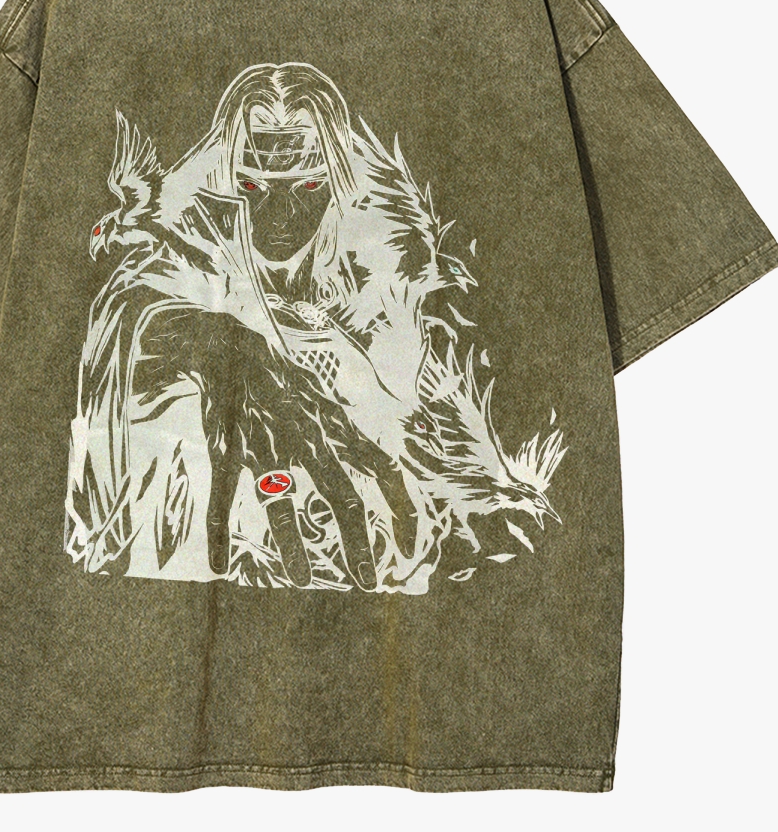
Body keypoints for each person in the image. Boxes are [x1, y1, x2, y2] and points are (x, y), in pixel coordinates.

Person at [66, 63, 564, 593]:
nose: (280, 215)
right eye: (253, 185)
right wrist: (211, 344)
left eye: (306, 184)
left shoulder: (396, 273)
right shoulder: (177, 243)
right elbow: (120, 327)